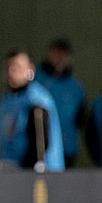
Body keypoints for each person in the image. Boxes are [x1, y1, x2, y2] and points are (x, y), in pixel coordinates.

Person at [0, 49, 65, 173]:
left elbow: (40, 146)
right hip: (5, 172)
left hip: (30, 177)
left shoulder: (36, 100)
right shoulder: (5, 98)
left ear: (30, 70)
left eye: (17, 67)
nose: (11, 72)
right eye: (8, 67)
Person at [33, 39, 85, 168]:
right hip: (37, 150)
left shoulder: (76, 88)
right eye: (57, 54)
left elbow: (80, 120)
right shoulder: (35, 79)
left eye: (64, 55)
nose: (60, 59)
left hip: (66, 150)